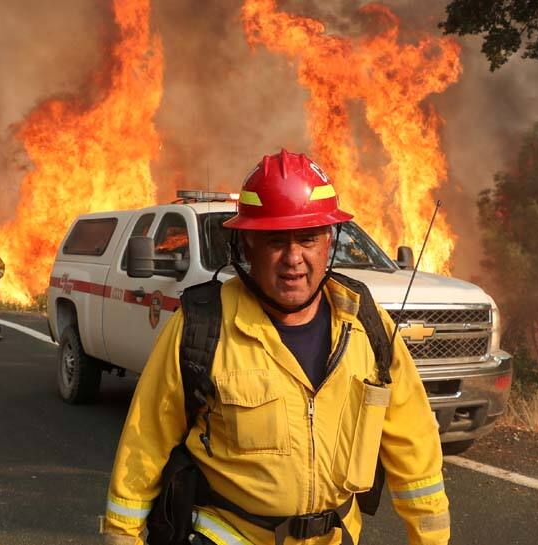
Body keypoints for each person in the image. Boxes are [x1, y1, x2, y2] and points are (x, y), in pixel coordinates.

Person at [102, 150, 449, 545]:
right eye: (275, 242)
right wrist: (121, 533)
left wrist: (430, 537)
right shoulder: (202, 324)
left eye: (307, 239)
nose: (293, 259)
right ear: (247, 244)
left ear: (328, 242)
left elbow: (413, 442)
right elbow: (146, 438)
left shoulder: (365, 323)